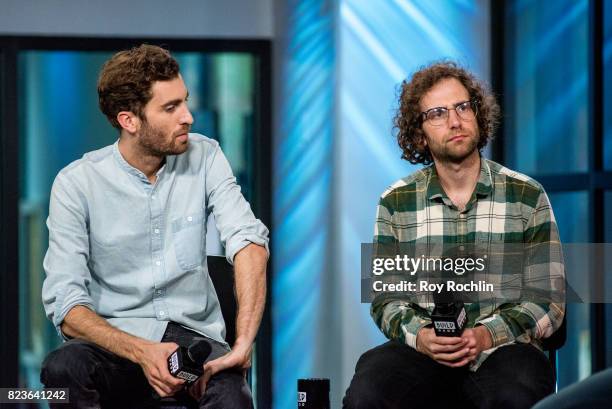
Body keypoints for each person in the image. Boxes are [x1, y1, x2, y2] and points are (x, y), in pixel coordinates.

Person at [40, 44, 269, 409]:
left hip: (194, 343)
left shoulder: (206, 155)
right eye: (171, 108)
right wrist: (144, 351)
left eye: (185, 101)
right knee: (65, 368)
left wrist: (242, 346)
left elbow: (249, 243)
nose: (188, 117)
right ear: (129, 120)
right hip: (117, 344)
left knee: (232, 398)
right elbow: (67, 307)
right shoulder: (76, 183)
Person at [343, 62, 565, 409]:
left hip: (505, 348)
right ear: (420, 133)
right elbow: (385, 298)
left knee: (514, 396)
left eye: (463, 107)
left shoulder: (526, 195)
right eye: (437, 113)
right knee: (368, 394)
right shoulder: (396, 201)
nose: (454, 121)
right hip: (426, 351)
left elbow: (548, 301)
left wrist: (485, 334)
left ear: (478, 114)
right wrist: (423, 337)